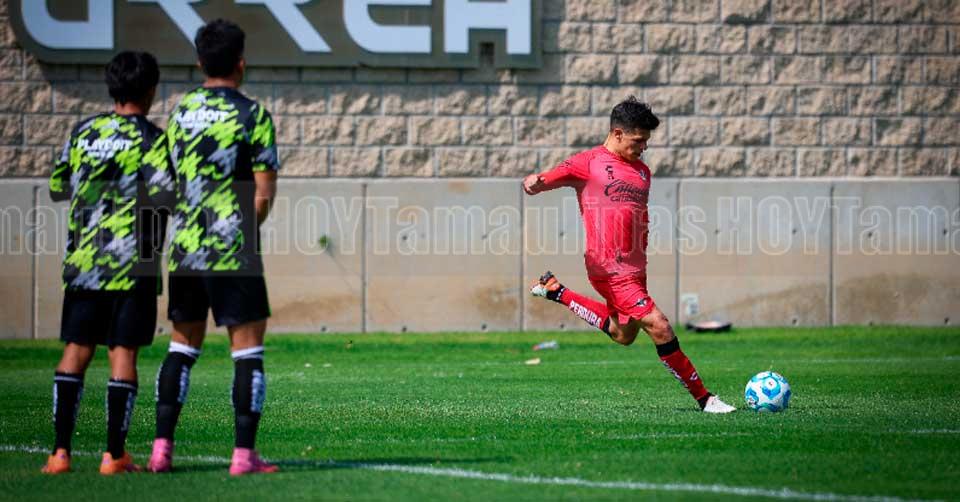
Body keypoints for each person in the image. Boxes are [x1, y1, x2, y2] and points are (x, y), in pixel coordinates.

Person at [523, 96, 736, 414]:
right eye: (638, 140)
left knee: (622, 334)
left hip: (636, 269)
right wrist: (534, 182)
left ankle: (557, 292)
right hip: (609, 268)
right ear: (617, 133)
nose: (644, 147)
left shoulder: (643, 172)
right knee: (660, 326)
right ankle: (706, 400)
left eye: (647, 141)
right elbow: (545, 179)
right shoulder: (588, 162)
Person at [146, 18, 280, 475]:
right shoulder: (253, 115)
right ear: (241, 63)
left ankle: (161, 450)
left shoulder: (180, 113)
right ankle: (243, 455)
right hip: (233, 248)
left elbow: (161, 188)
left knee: (181, 346)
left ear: (200, 62)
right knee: (247, 350)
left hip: (185, 248)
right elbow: (263, 195)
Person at [43, 51, 172, 474]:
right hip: (134, 263)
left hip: (85, 262)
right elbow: (166, 195)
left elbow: (58, 186)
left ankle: (59, 454)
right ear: (151, 90)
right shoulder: (152, 139)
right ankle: (114, 456)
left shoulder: (83, 132)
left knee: (76, 350)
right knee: (123, 354)